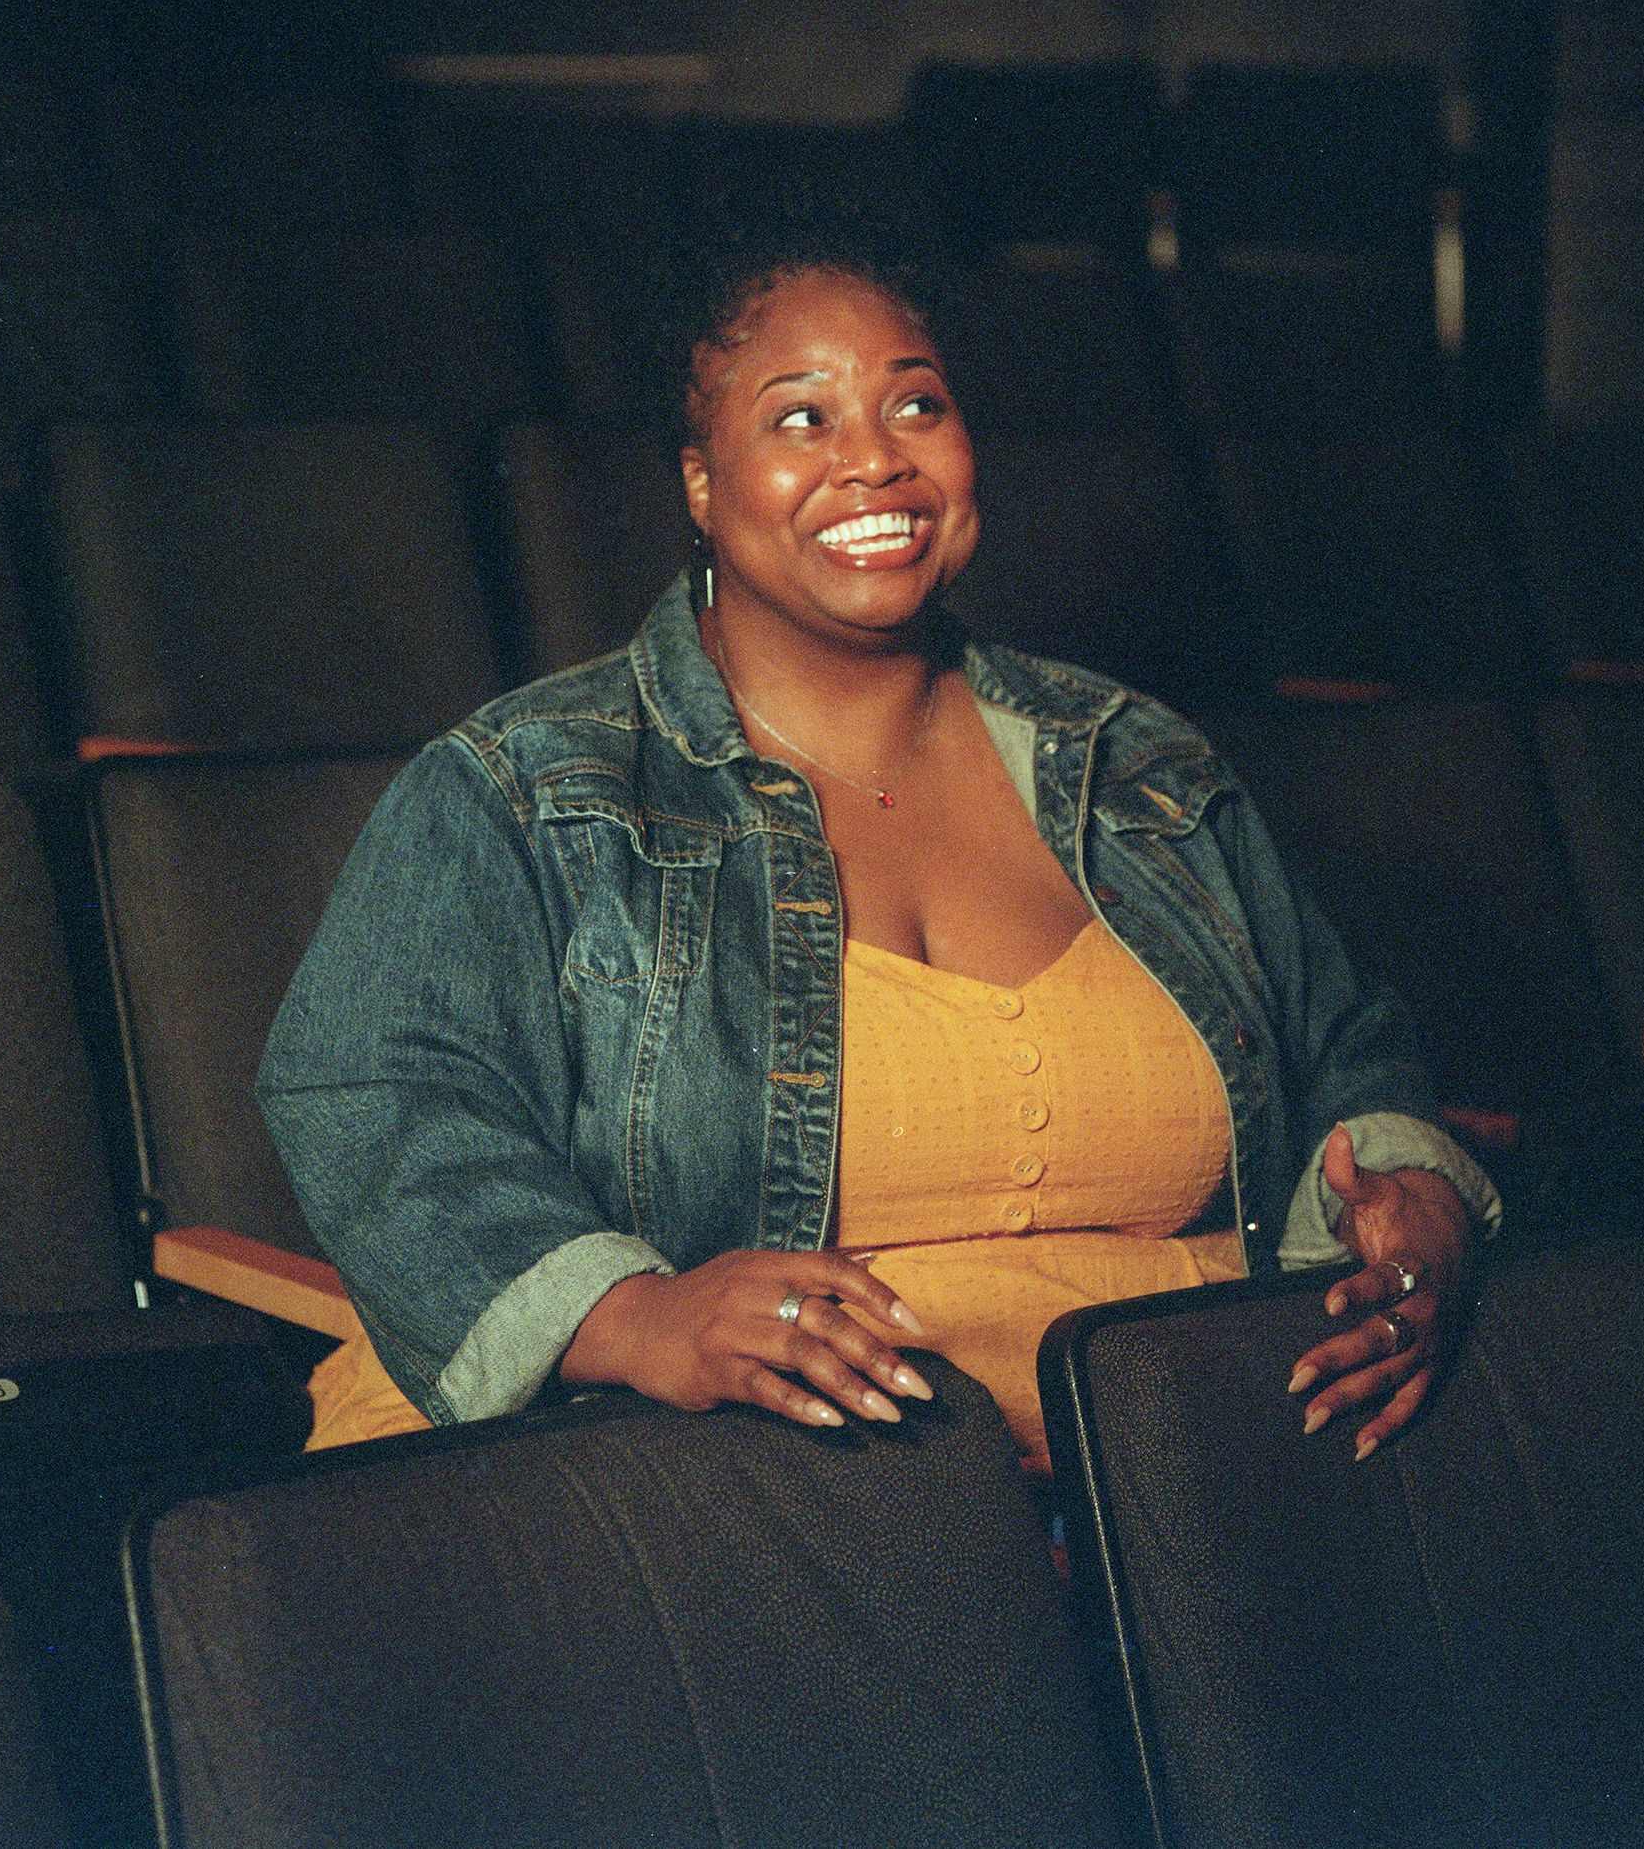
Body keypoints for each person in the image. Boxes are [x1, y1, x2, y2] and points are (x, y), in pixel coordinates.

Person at [260, 217, 1499, 1472]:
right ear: (700, 484)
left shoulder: (1136, 762)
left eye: (915, 407)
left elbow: (1343, 1040)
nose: (873, 464)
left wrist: (1422, 1194)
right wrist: (633, 1314)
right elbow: (374, 1092)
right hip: (724, 1481)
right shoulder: (532, 786)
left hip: (1167, 1461)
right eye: (802, 419)